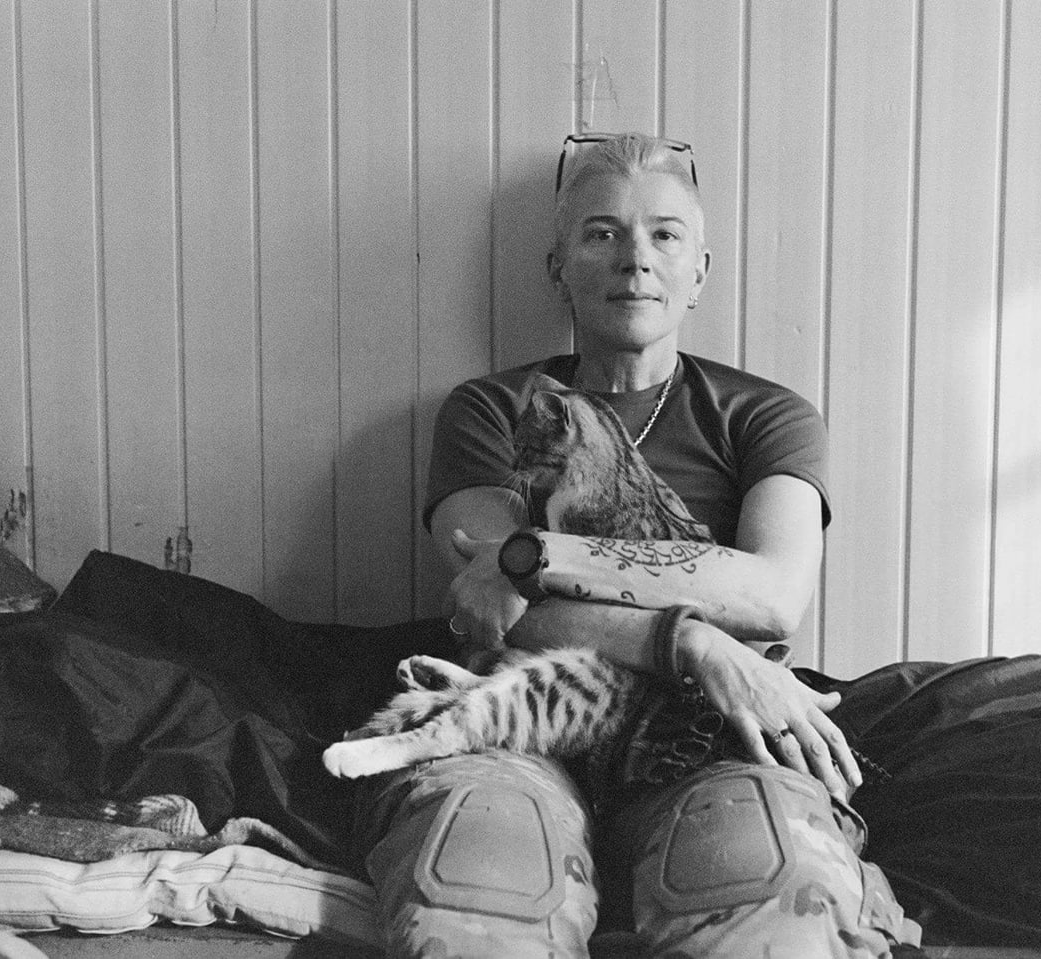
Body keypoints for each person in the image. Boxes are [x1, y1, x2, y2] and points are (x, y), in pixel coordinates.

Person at [354, 132, 921, 957]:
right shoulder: (494, 410)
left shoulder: (767, 416)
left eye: (664, 234)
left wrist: (543, 558)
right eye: (602, 233)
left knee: (771, 880)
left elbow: (770, 596)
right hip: (521, 723)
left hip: (712, 739)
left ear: (701, 270)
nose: (635, 259)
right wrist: (689, 639)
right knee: (475, 875)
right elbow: (499, 609)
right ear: (558, 268)